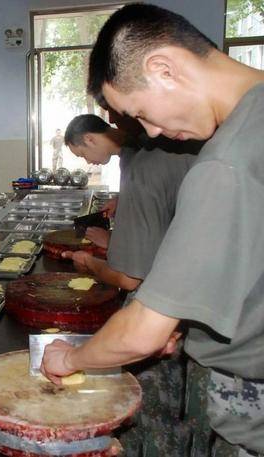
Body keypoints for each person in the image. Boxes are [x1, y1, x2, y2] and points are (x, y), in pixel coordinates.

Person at [41, 4, 264, 456]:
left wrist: (70, 357)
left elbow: (143, 331)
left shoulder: (225, 164)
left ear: (163, 69)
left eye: (138, 112)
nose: (150, 131)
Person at [63, 113, 198, 456]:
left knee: (151, 404)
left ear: (90, 139)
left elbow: (128, 277)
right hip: (187, 295)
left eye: (81, 154)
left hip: (161, 304)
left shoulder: (142, 162)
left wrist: (90, 263)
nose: (86, 162)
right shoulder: (146, 152)